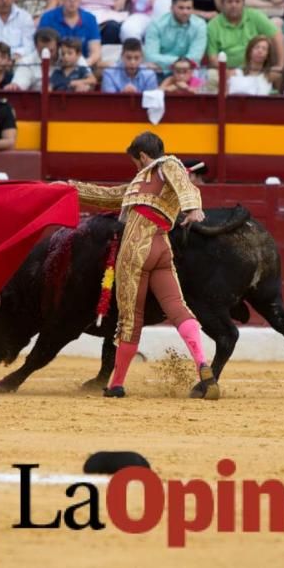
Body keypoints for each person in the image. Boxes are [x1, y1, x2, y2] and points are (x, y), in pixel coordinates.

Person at [67, 131, 218, 399]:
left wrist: (193, 207)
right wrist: (70, 188)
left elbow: (185, 184)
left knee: (130, 319)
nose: (137, 168)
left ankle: (116, 384)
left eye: (136, 162)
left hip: (136, 248)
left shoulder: (165, 165)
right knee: (177, 307)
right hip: (161, 247)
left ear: (144, 157)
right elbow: (108, 195)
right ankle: (202, 364)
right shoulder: (141, 182)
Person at [206, 0, 284, 70]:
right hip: (226, 71)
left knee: (277, 72)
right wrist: (228, 73)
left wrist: (280, 66)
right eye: (229, 1)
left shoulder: (255, 15)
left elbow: (277, 36)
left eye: (237, 1)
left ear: (243, 3)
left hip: (256, 69)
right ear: (222, 3)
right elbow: (213, 58)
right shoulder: (213, 25)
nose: (234, 5)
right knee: (211, 76)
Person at [38, 0, 102, 68]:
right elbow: (42, 49)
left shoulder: (90, 19)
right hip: (55, 66)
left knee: (105, 66)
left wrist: (83, 65)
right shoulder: (47, 18)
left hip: (82, 65)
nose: (72, 0)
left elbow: (95, 52)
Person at [145, 0, 207, 73]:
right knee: (148, 70)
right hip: (160, 72)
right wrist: (182, 61)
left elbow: (195, 59)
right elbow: (150, 57)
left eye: (188, 8)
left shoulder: (200, 25)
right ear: (171, 8)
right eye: (181, 8)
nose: (185, 12)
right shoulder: (156, 25)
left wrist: (164, 63)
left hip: (186, 72)